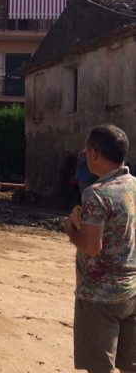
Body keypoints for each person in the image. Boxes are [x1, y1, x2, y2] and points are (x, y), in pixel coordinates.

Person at [63, 124, 136, 373]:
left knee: (99, 368)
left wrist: (71, 230)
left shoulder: (96, 194)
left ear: (94, 153)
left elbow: (92, 247)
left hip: (99, 296)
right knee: (130, 365)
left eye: (85, 153)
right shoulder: (134, 187)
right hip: (132, 290)